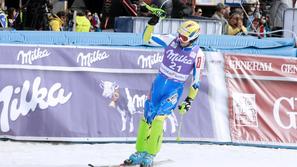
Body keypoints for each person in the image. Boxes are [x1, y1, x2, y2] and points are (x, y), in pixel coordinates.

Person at [123, 13, 205, 167]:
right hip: (158, 84)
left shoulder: (198, 54)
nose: (180, 39)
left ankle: (150, 154)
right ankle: (139, 151)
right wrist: (151, 24)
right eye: (179, 35)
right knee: (147, 118)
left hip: (174, 89)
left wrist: (189, 100)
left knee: (158, 120)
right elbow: (146, 39)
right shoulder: (171, 41)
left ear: (194, 38)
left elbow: (196, 81)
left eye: (185, 38)